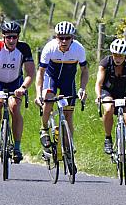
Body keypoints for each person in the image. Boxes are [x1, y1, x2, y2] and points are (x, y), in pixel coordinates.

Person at [0, 20, 35, 163]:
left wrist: (23, 88)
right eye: (8, 37)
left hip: (16, 82)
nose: (11, 40)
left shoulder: (24, 48)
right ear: (3, 37)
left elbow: (30, 73)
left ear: (18, 37)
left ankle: (17, 147)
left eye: (14, 37)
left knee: (14, 107)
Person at [35, 21, 89, 158]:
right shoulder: (49, 48)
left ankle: (68, 145)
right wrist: (38, 93)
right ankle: (44, 128)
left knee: (68, 114)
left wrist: (82, 89)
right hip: (51, 77)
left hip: (68, 81)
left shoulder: (79, 49)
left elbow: (84, 71)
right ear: (56, 37)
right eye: (60, 37)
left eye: (67, 38)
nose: (64, 41)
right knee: (48, 100)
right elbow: (40, 73)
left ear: (73, 38)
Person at [95, 38, 126, 170]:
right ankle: (108, 138)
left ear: (125, 55)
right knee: (109, 108)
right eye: (115, 55)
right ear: (112, 54)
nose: (118, 58)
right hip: (109, 92)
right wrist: (99, 96)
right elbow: (99, 83)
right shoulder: (105, 63)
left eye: (121, 56)